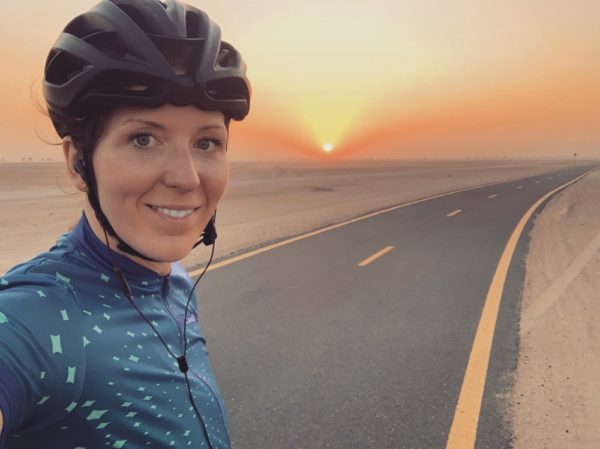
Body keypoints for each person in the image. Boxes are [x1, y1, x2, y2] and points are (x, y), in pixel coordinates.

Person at [0, 0, 250, 447]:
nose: (186, 178)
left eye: (207, 142)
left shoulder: (175, 280)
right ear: (78, 162)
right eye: (143, 139)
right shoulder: (37, 316)